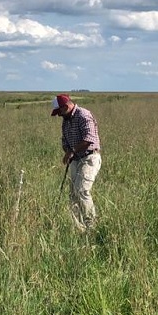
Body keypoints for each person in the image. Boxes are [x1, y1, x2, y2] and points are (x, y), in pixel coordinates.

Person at [51, 93, 102, 232]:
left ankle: (91, 227)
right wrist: (67, 150)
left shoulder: (83, 115)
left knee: (81, 190)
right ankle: (79, 228)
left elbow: (89, 139)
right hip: (75, 159)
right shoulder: (66, 120)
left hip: (89, 157)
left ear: (65, 107)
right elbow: (64, 140)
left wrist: (72, 151)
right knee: (73, 194)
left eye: (59, 112)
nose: (59, 115)